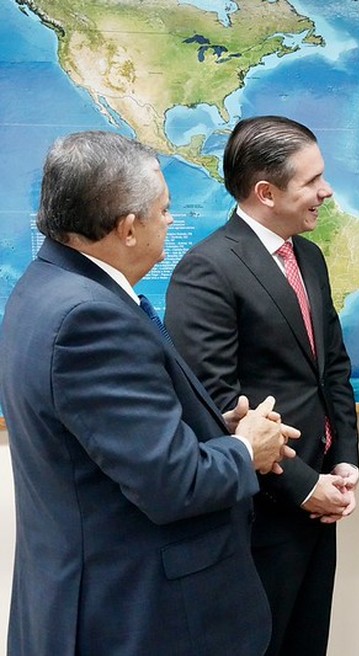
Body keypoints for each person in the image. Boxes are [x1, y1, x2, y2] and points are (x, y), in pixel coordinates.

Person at [0, 131, 298, 655]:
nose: (170, 221)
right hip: (140, 614)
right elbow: (172, 484)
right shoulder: (88, 318)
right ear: (128, 228)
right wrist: (246, 450)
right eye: (164, 210)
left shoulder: (44, 284)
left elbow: (111, 443)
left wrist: (214, 432)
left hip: (91, 593)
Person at [165, 116, 359, 656]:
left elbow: (333, 369)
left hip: (320, 500)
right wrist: (302, 486)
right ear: (266, 192)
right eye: (312, 181)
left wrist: (344, 461)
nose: (326, 191)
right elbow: (218, 404)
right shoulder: (207, 269)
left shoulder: (310, 257)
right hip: (260, 512)